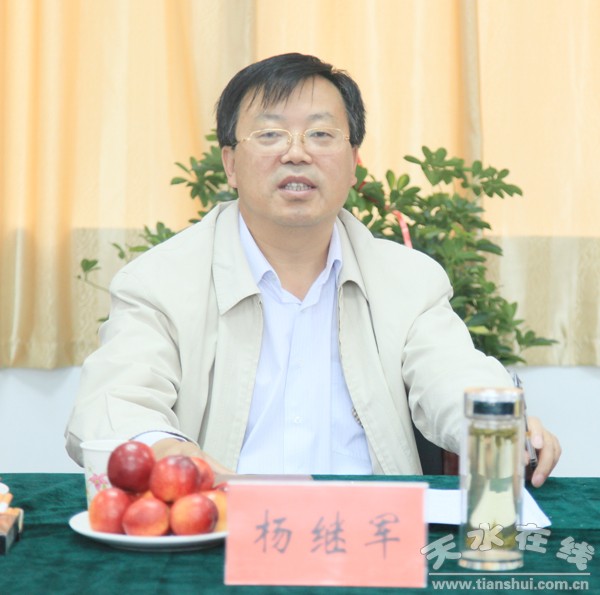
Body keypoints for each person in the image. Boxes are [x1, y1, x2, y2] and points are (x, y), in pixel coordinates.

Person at [65, 53, 560, 486]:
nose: (296, 152)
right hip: (222, 528)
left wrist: (499, 427)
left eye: (321, 134)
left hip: (371, 531)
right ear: (230, 163)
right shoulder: (159, 282)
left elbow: (451, 376)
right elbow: (115, 402)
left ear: (353, 162)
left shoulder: (410, 282)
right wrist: (169, 454)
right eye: (270, 134)